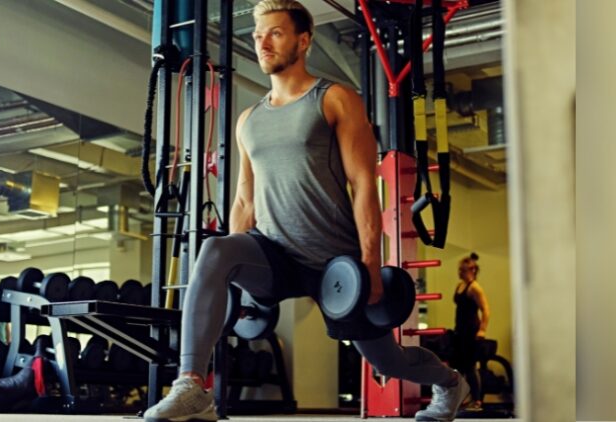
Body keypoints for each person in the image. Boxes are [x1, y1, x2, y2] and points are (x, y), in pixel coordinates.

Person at [144, 1, 468, 421]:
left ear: (304, 40)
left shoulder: (335, 99)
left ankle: (450, 383)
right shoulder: (249, 120)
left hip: (337, 262)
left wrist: (371, 263)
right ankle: (192, 386)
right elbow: (245, 200)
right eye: (258, 35)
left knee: (389, 363)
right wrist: (236, 285)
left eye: (275, 33)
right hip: (275, 254)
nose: (263, 43)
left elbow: (365, 185)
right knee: (216, 251)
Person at [452, 253, 490, 410]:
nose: (459, 272)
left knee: (470, 367)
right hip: (460, 330)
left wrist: (482, 330)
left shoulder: (475, 288)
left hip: (471, 331)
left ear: (472, 270)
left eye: (462, 270)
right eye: (459, 269)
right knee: (460, 367)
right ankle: (465, 398)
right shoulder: (460, 285)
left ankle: (477, 401)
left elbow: (486, 310)